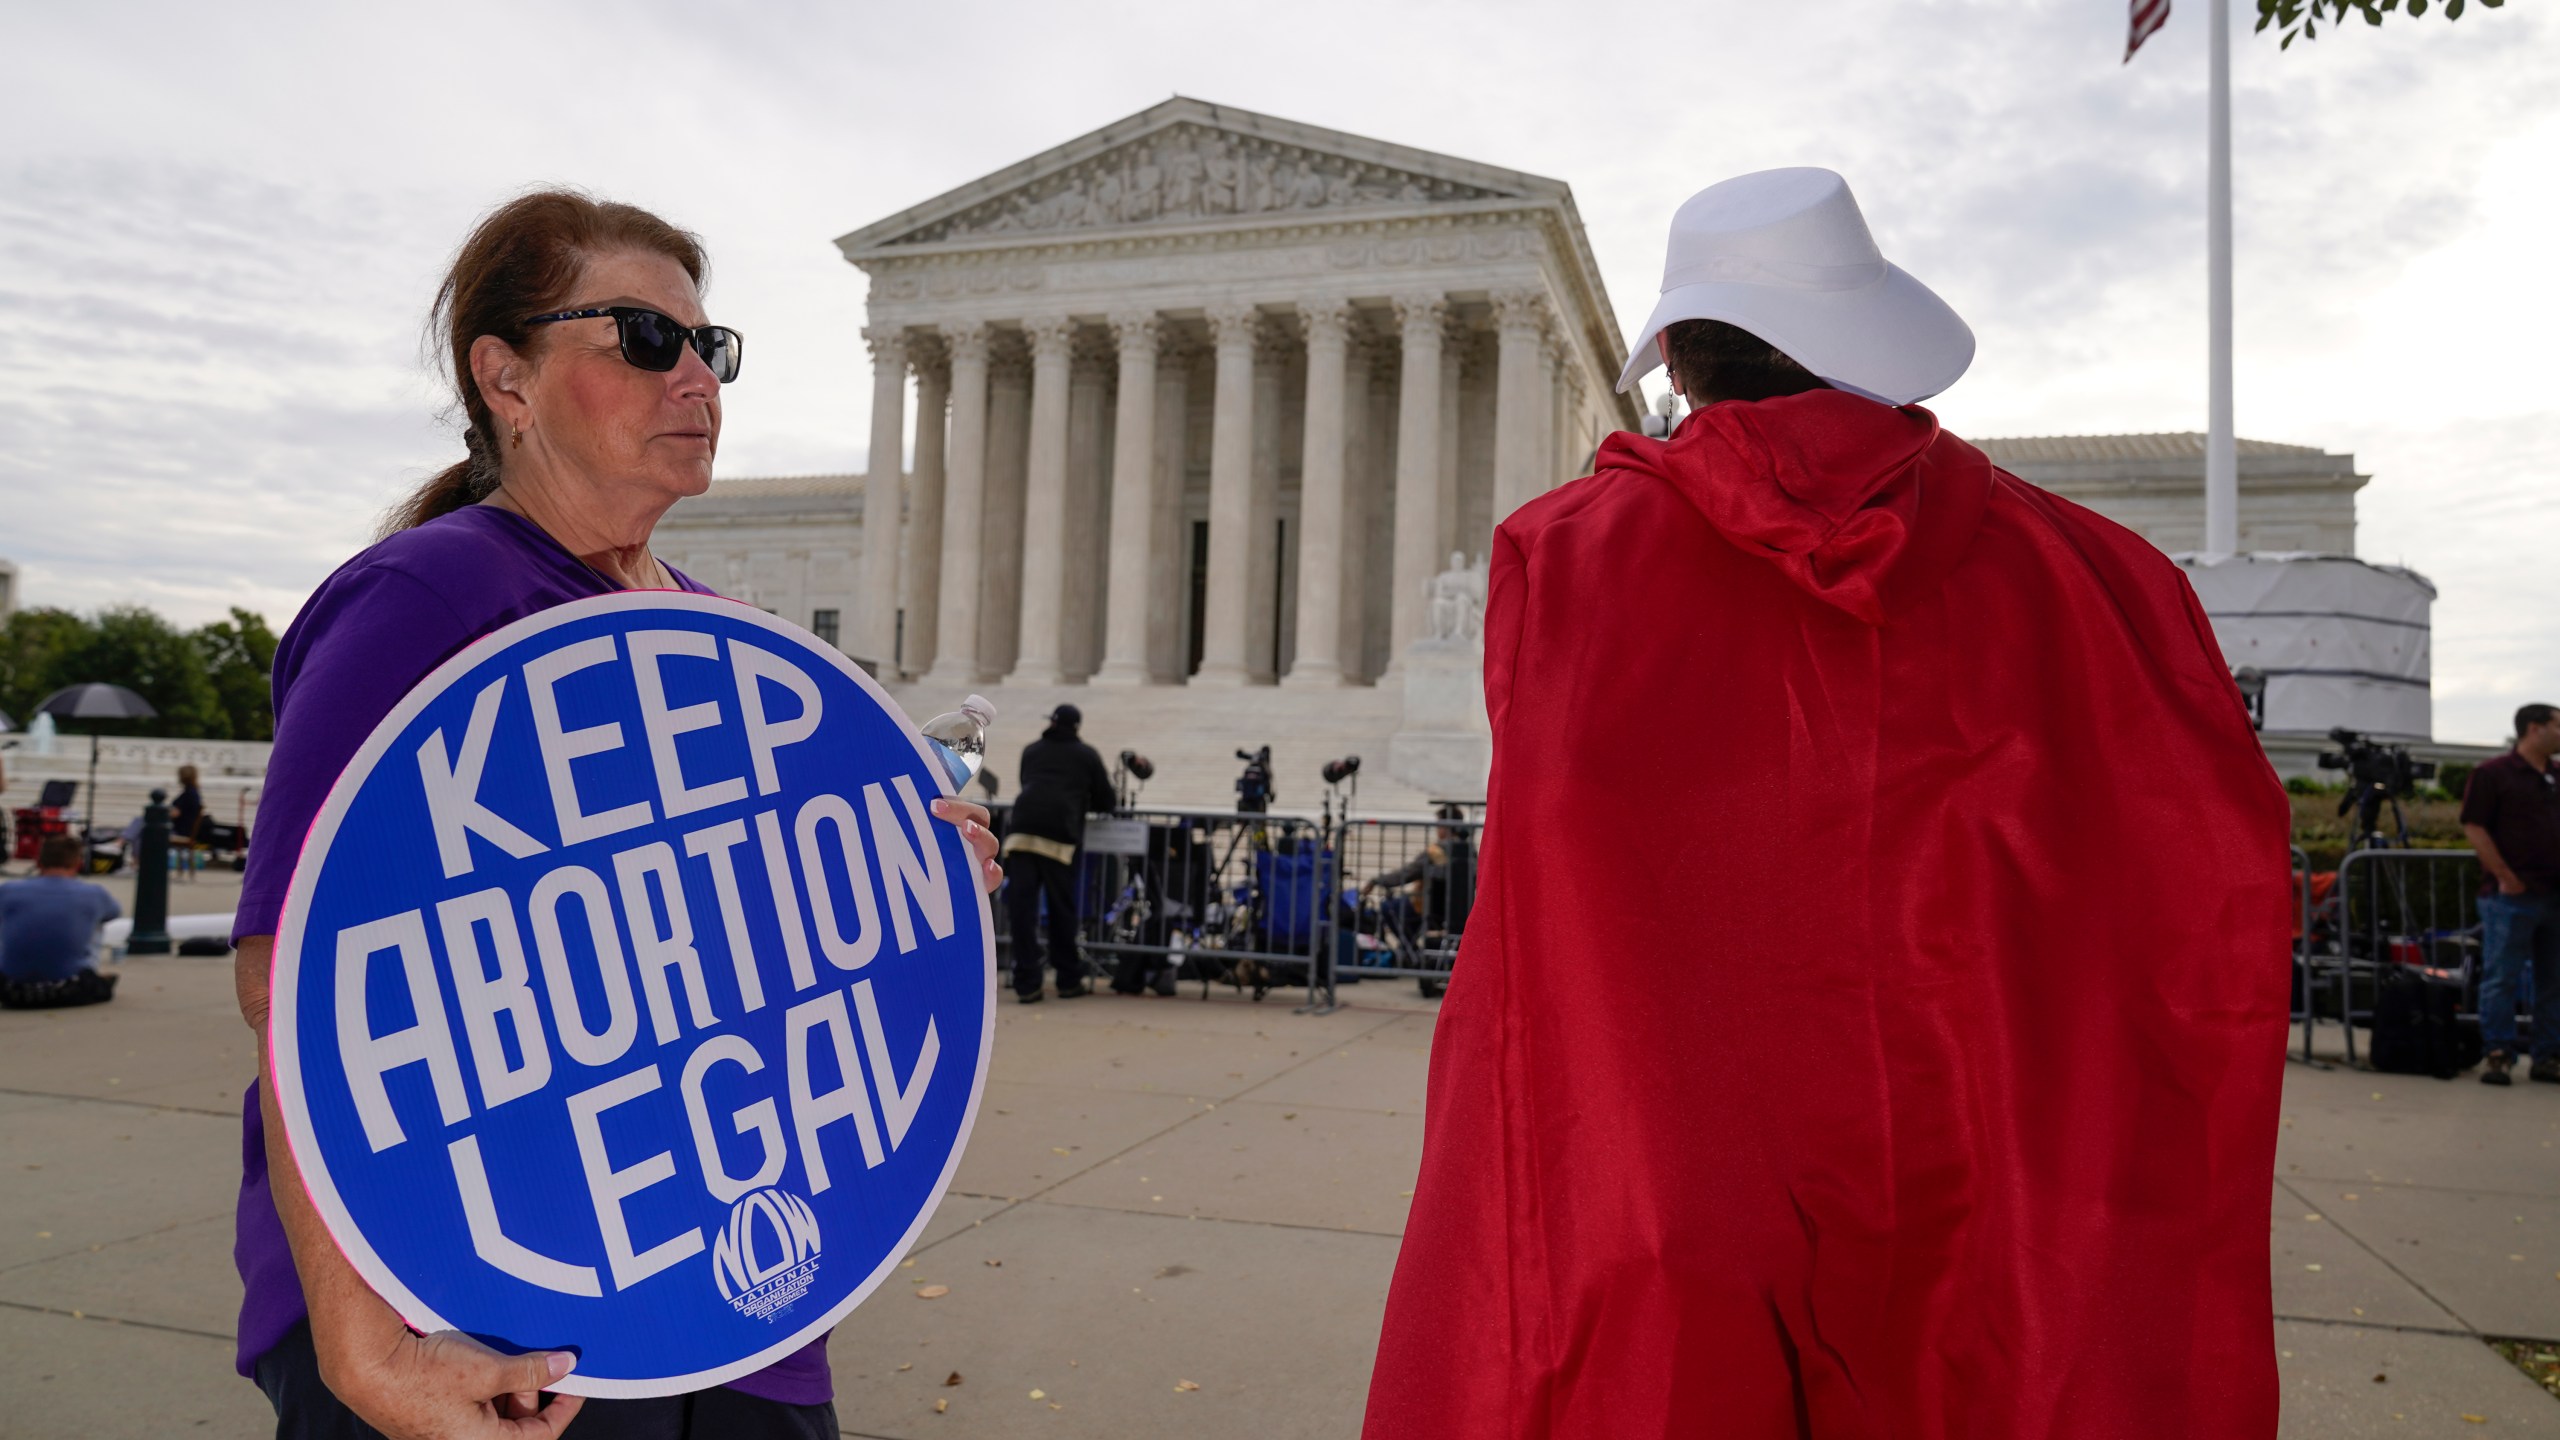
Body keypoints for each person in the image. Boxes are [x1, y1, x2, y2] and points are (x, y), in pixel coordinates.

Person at [1364, 169, 2293, 1439]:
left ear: (1682, 365)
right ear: (1865, 344)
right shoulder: (2108, 581)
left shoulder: (1570, 557)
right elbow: (2201, 879)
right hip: (1993, 1160)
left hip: (1675, 1171)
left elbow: (1551, 915)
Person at [226, 191, 1004, 1440]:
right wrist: (368, 1356)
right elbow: (295, 982)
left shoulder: (721, 640)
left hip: (734, 1310)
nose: (696, 378)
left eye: (712, 348)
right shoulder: (432, 598)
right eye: (646, 340)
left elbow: (743, 936)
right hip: (488, 1310)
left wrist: (904, 884)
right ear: (507, 377)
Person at [2460, 702, 2560, 1086]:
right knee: (2502, 976)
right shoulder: (2493, 774)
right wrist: (2504, 876)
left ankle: (2548, 1054)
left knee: (2552, 981)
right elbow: (2474, 825)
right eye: (2556, 725)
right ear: (2534, 729)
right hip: (2511, 897)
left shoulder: (2554, 776)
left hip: (2553, 895)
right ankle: (2498, 1053)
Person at [1000, 703, 1115, 1002]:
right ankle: (1067, 978)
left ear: (1051, 723)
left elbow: (1026, 781)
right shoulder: (1086, 755)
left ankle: (1027, 981)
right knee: (1062, 910)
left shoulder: (1032, 750)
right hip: (1060, 838)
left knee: (1022, 911)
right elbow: (1107, 799)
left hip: (1022, 831)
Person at [0, 833, 121, 1009]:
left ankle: (22, 965)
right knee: (96, 919)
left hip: (12, 990)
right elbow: (113, 913)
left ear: (39, 863)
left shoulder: (9, 890)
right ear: (77, 864)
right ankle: (79, 969)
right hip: (69, 988)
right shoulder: (94, 893)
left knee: (10, 914)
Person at [1361, 804, 1476, 945]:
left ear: (1445, 827)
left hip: (1428, 909)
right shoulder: (1471, 851)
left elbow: (1405, 874)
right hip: (1458, 912)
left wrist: (1376, 881)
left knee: (1388, 907)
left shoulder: (1435, 852)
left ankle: (1410, 951)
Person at [171, 763, 205, 878]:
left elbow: (175, 813)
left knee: (144, 828)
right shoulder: (193, 793)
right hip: (185, 830)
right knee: (141, 824)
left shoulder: (188, 794)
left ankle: (136, 863)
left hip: (181, 831)